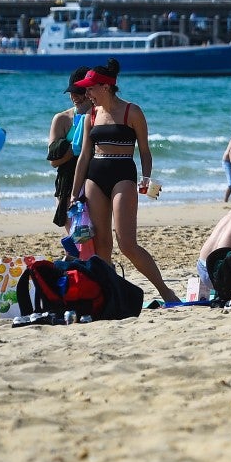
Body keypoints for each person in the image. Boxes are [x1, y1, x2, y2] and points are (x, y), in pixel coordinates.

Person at [68, 59, 180, 303]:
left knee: (127, 244)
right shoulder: (91, 115)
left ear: (105, 87)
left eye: (90, 88)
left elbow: (145, 151)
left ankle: (166, 292)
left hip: (123, 176)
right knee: (101, 244)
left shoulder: (133, 111)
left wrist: (146, 180)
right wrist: (74, 192)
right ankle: (110, 297)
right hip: (94, 178)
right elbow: (85, 156)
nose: (87, 93)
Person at [43, 66, 92, 226]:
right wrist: (78, 143)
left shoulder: (101, 116)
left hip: (93, 180)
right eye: (71, 92)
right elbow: (53, 161)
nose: (74, 96)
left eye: (79, 92)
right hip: (66, 183)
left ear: (91, 91)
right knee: (74, 235)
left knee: (94, 235)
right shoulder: (62, 119)